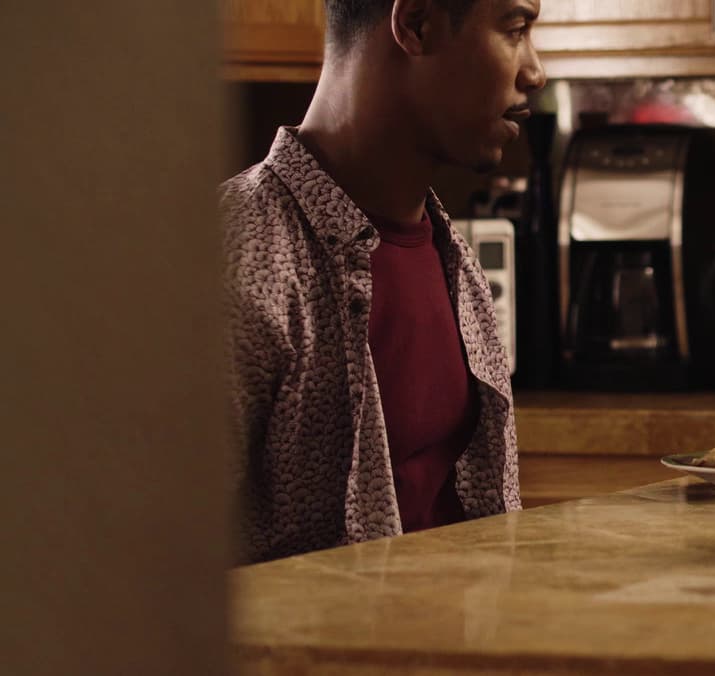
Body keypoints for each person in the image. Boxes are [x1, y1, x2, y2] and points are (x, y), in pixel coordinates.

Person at [221, 0, 545, 563]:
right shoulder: (233, 257)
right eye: (515, 29)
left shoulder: (454, 257)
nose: (535, 71)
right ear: (416, 24)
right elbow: (144, 555)